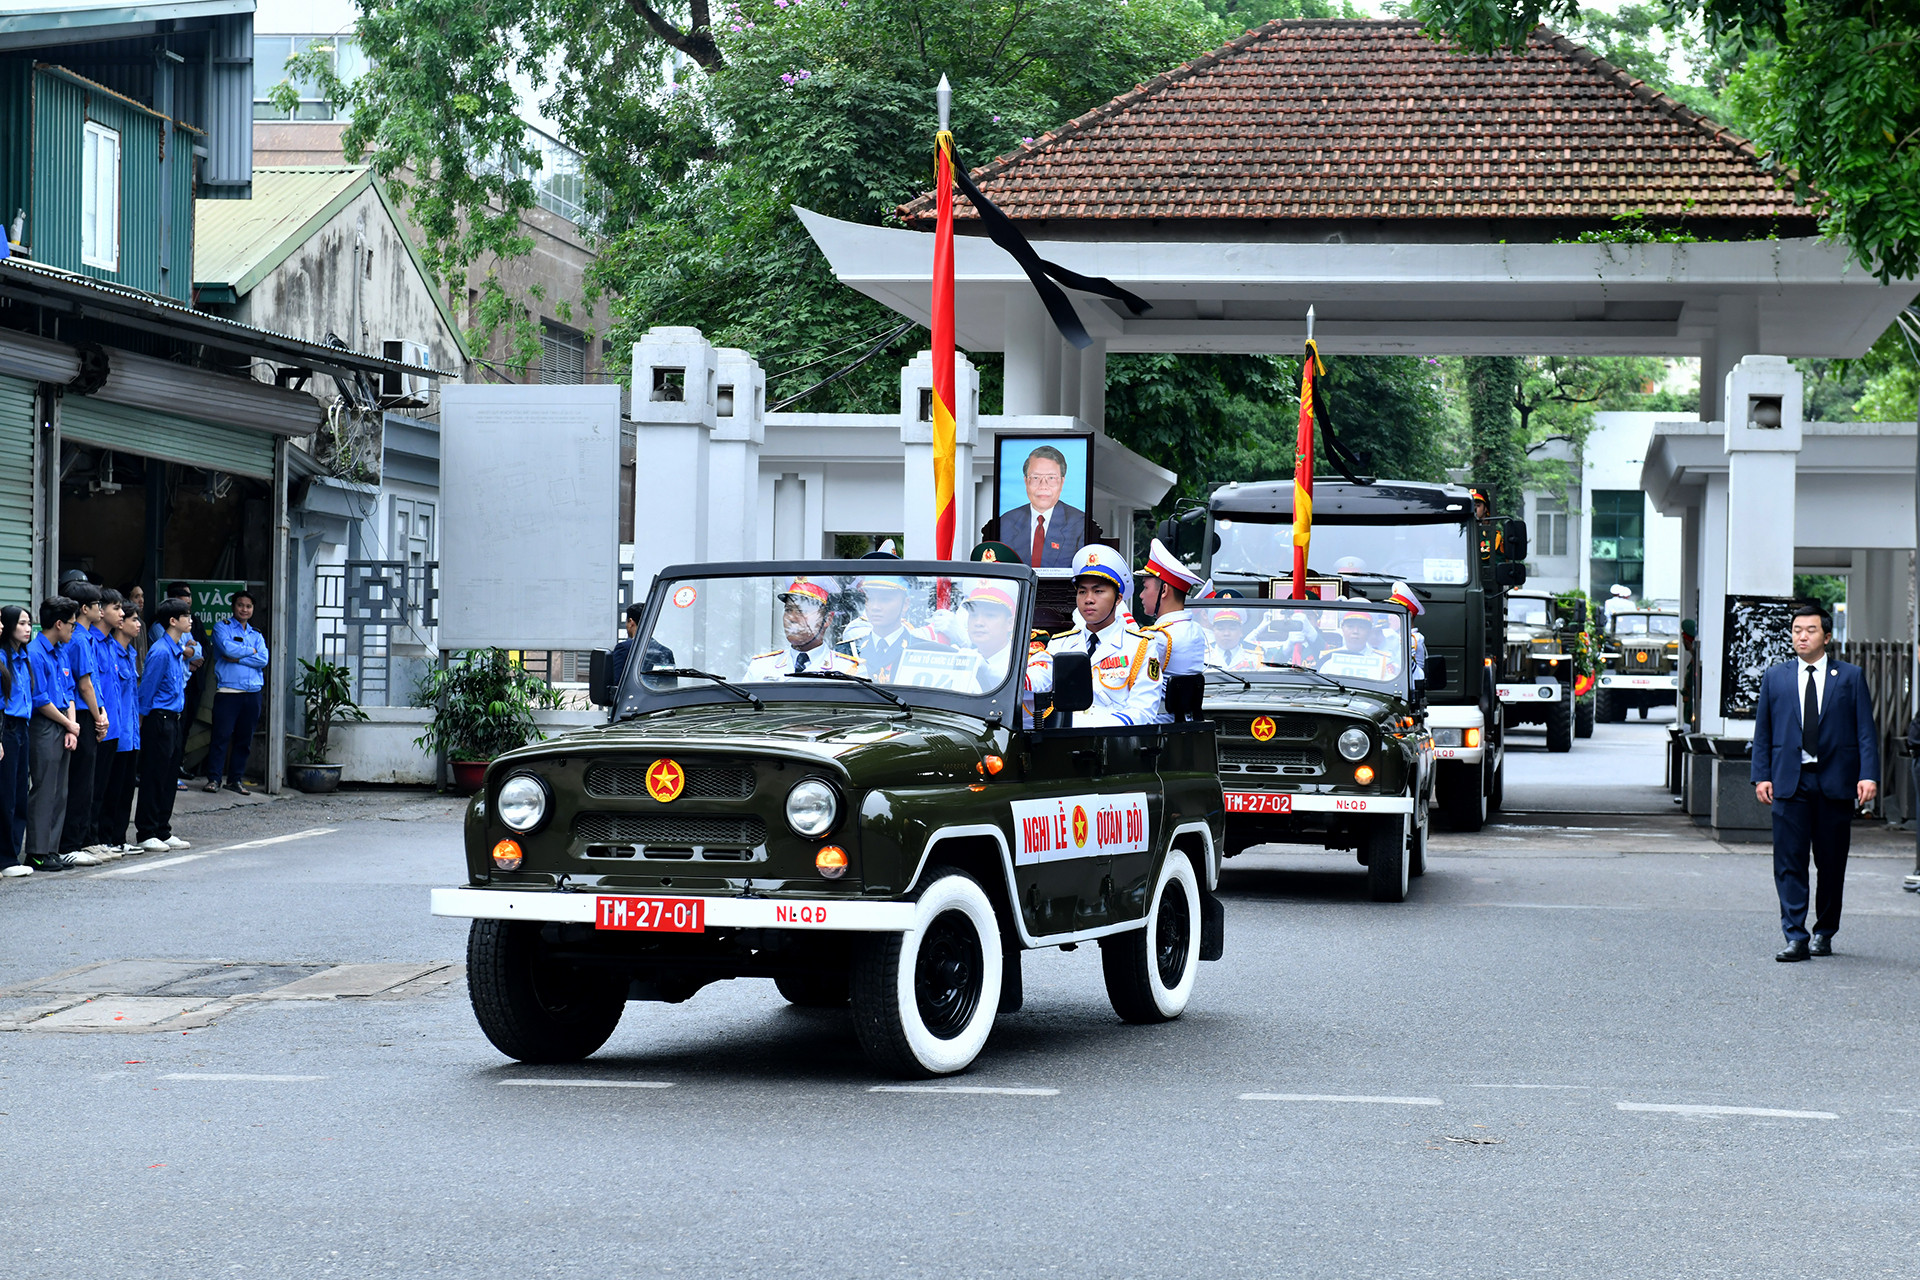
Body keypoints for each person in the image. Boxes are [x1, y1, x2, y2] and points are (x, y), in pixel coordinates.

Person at [1752, 604, 1879, 962]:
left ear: (1826, 636)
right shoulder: (1776, 677)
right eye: (1796, 630)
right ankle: (1795, 936)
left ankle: (1824, 931)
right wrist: (1761, 775)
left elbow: (1865, 731)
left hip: (1834, 782)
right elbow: (1764, 731)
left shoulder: (1849, 677)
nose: (1802, 636)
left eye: (1810, 630)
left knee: (1831, 862)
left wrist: (1868, 774)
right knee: (1789, 862)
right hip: (1789, 783)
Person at [1024, 544, 1170, 727]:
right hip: (1063, 739)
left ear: (1118, 598)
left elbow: (1143, 711)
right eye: (1082, 591)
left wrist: (1086, 725)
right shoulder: (1061, 643)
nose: (1088, 599)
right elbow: (1038, 679)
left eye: (1098, 591)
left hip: (1112, 740)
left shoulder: (1140, 647)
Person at [26, 597, 92, 869]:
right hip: (45, 725)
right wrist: (68, 724)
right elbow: (40, 699)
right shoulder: (35, 653)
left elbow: (70, 691)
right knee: (44, 788)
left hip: (64, 723)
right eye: (72, 625)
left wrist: (72, 727)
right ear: (58, 624)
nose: (74, 630)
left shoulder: (61, 651)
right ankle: (37, 851)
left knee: (60, 791)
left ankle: (51, 848)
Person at [135, 599, 195, 853]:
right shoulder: (161, 651)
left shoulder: (177, 649)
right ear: (172, 621)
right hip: (159, 719)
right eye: (185, 616)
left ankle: (162, 829)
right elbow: (147, 690)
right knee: (154, 776)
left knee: (170, 777)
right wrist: (142, 722)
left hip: (174, 719)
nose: (190, 620)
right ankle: (146, 831)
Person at [59, 583, 112, 857]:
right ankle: (71, 843)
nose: (101, 610)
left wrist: (101, 712)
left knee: (88, 781)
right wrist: (98, 715)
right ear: (84, 608)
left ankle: (82, 839)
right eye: (97, 605)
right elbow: (84, 685)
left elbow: (95, 683)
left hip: (90, 712)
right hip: (80, 714)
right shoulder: (78, 639)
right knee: (79, 781)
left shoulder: (86, 637)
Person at [204, 590, 268, 794]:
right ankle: (214, 779)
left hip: (253, 693)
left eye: (248, 606)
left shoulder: (256, 634)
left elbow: (263, 659)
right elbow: (227, 649)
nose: (244, 609)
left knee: (244, 739)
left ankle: (235, 779)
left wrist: (238, 658)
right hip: (228, 691)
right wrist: (251, 652)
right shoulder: (221, 627)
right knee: (221, 737)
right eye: (241, 605)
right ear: (233, 607)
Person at [745, 580, 864, 679]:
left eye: (802, 611)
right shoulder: (761, 668)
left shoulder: (848, 670)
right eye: (788, 610)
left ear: (827, 618)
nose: (792, 618)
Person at [98, 604, 143, 854]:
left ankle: (120, 837)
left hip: (131, 732)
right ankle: (106, 838)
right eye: (133, 619)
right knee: (111, 789)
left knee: (126, 789)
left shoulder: (130, 653)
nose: (138, 624)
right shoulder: (110, 651)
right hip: (115, 731)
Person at [997, 446, 1087, 569]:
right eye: (1035, 478)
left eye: (1051, 478)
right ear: (1026, 481)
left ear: (1062, 482)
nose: (1043, 485)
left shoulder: (1079, 523)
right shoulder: (1006, 522)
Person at [852, 575, 948, 682]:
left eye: (885, 599)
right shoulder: (848, 650)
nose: (875, 607)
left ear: (905, 604)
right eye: (869, 599)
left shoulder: (924, 652)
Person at [1138, 538, 1207, 678]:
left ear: (1164, 590)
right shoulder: (1196, 629)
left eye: (1145, 587)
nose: (1141, 595)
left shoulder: (1159, 638)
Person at [0, 606, 32, 877]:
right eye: (21, 623)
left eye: (29, 623)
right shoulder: (2, 657)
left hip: (23, 728)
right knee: (6, 795)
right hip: (7, 728)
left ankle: (13, 854)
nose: (27, 628)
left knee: (21, 793)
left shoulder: (24, 657)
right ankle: (5, 857)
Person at [959, 583, 1019, 690]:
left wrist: (986, 670)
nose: (978, 622)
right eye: (973, 615)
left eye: (990, 615)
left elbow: (1032, 683)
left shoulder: (1026, 658)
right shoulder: (963, 655)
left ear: (1010, 624)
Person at [1388, 581, 1429, 682]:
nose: (1389, 617)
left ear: (1408, 615)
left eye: (1394, 613)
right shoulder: (1396, 635)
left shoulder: (1413, 639)